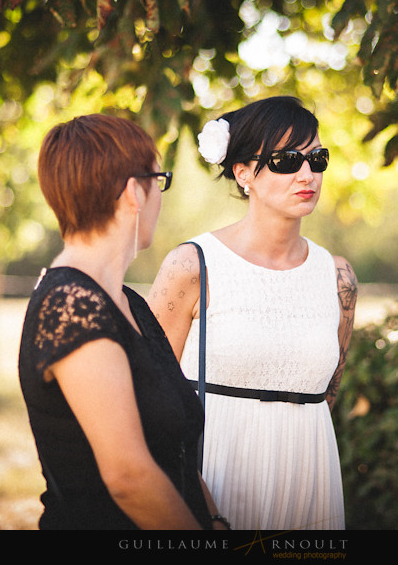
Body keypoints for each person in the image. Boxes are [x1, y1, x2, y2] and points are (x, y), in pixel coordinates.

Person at [147, 96, 357, 530]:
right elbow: (153, 397)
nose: (307, 174)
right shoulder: (192, 265)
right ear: (243, 173)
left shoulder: (337, 276)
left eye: (317, 159)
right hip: (217, 476)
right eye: (286, 160)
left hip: (310, 475)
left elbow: (330, 388)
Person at [18, 114, 227, 530]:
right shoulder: (70, 307)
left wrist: (216, 521)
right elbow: (129, 477)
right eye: (159, 179)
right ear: (135, 191)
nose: (160, 196)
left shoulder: (130, 303)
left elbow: (174, 448)